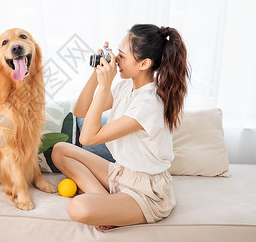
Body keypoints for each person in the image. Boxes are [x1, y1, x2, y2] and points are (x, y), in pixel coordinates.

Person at [52, 24, 190, 230]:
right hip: (121, 173)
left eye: (122, 55)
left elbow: (87, 139)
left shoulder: (149, 104)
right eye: (117, 53)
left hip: (147, 191)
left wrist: (105, 86)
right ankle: (105, 201)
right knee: (60, 150)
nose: (116, 60)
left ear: (144, 63)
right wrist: (96, 75)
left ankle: (107, 208)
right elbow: (81, 111)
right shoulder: (126, 87)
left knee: (78, 208)